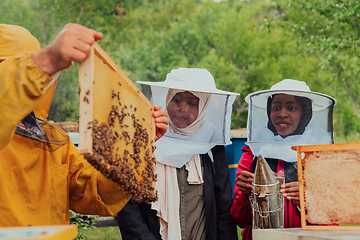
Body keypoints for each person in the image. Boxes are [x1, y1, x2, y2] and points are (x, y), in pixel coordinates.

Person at [0, 23, 169, 226]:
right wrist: (45, 60)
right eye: (24, 68)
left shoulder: (54, 142)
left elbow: (96, 193)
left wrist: (136, 147)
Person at [115, 68, 239, 240]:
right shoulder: (148, 139)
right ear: (167, 100)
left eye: (192, 102)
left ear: (203, 106)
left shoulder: (211, 146)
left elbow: (223, 208)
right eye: (176, 99)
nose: (182, 108)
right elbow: (126, 201)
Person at [230, 79, 336, 240]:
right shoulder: (253, 153)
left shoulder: (320, 156)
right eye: (276, 107)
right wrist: (246, 194)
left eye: (292, 108)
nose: (282, 113)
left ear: (305, 113)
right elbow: (240, 219)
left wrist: (309, 202)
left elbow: (335, 220)